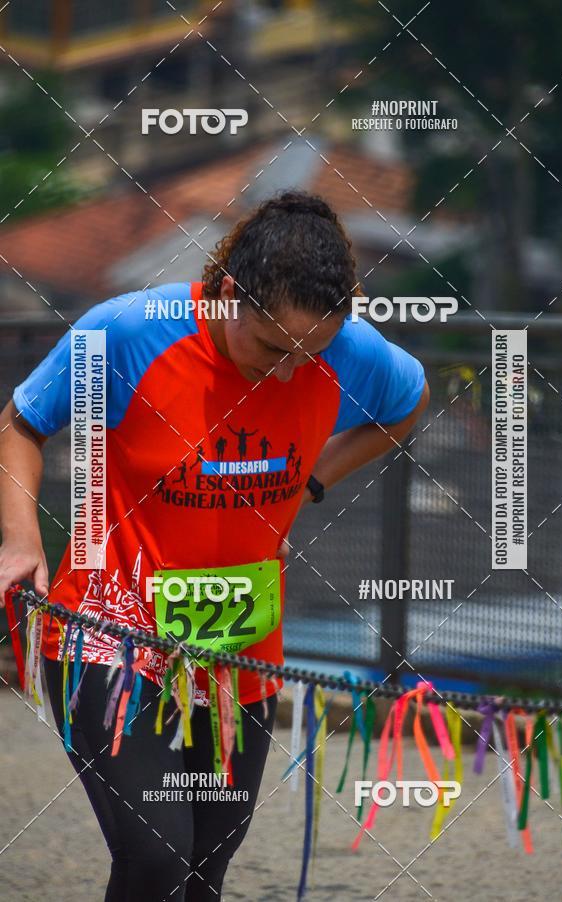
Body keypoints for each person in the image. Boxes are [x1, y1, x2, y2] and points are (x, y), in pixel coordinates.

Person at [0, 190, 429, 901]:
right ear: (230, 294)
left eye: (310, 353)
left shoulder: (353, 354)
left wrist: (309, 486)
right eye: (271, 347)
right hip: (111, 634)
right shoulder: (128, 332)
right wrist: (20, 542)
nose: (290, 370)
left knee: (206, 865)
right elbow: (20, 423)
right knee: (160, 854)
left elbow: (406, 404)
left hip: (237, 647)